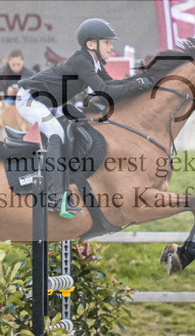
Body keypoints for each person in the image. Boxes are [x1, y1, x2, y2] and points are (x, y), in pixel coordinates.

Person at [16, 18, 154, 218]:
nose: (110, 46)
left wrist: (139, 83)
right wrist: (138, 84)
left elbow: (112, 84)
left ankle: (66, 184)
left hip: (50, 103)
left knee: (76, 127)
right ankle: (53, 196)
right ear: (91, 44)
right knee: (56, 133)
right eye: (106, 42)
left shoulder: (95, 62)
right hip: (31, 99)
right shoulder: (83, 60)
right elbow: (104, 90)